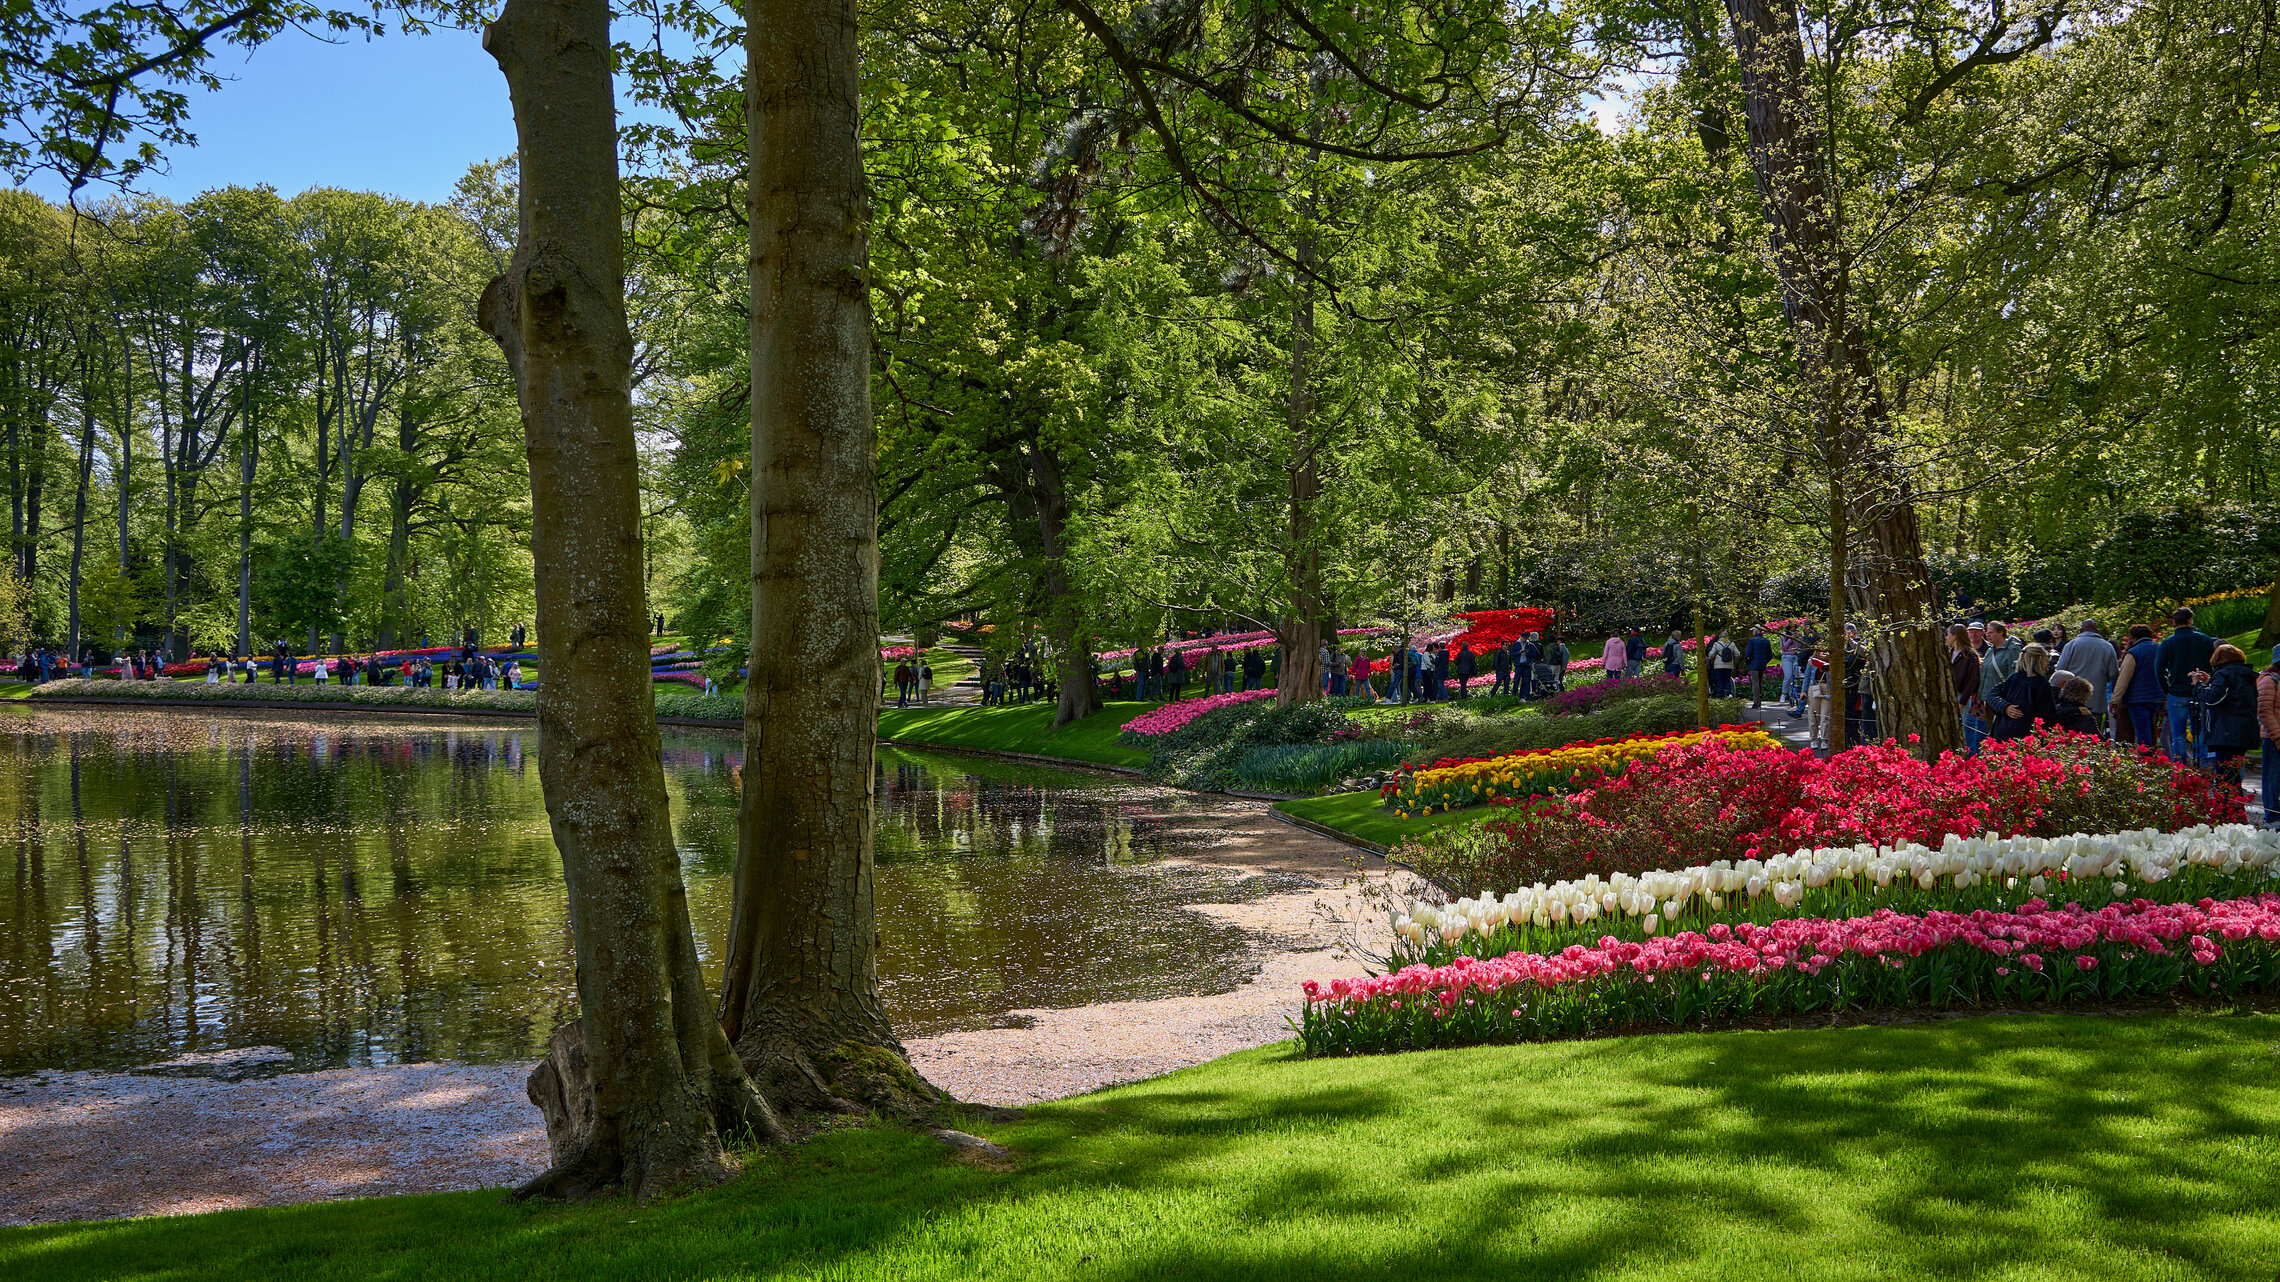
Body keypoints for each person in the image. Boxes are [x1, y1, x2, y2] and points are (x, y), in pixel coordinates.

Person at [2191, 643, 2259, 786]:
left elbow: (2212, 698)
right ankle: (2236, 806)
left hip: (2226, 731)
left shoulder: (2224, 674)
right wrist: (2210, 681)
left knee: (2225, 777)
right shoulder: (2245, 674)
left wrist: (2198, 685)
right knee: (2234, 774)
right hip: (2244, 729)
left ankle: (2228, 806)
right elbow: (2231, 694)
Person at [2157, 607, 2218, 763]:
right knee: (2201, 731)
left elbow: (2159, 669)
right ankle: (2204, 765)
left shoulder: (2168, 643)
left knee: (2178, 734)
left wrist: (2167, 689)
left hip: (2177, 691)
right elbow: (2213, 665)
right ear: (2190, 620)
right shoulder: (2204, 640)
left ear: (2174, 622)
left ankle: (2181, 767)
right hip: (2200, 690)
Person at [2056, 619, 2121, 729]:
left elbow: (2060, 669)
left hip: (2072, 700)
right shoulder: (2107, 646)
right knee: (2095, 732)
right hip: (2097, 698)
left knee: (2071, 732)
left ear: (2081, 630)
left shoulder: (2071, 645)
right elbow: (2114, 674)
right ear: (2096, 630)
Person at [1987, 643, 2058, 740]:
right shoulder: (2040, 683)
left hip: (2003, 732)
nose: (2047, 666)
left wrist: (2004, 706)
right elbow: (2048, 715)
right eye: (2046, 662)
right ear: (2039, 660)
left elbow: (1992, 695)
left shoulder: (2013, 678)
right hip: (2026, 735)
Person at [2113, 624, 2163, 747]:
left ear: (2133, 637)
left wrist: (2115, 699)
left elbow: (2124, 678)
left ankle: (2145, 758)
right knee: (2151, 729)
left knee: (2142, 732)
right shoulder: (2159, 649)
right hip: (2157, 697)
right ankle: (2154, 756)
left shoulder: (2133, 652)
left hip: (2137, 698)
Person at [1946, 624, 1981, 736]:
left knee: (1960, 729)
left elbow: (1972, 681)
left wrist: (1962, 703)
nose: (1946, 638)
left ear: (1955, 636)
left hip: (1961, 696)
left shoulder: (1969, 655)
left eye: (1948, 635)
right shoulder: (1948, 653)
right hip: (1948, 695)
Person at [2259, 658, 2280, 827]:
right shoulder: (2269, 681)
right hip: (2273, 738)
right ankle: (2272, 817)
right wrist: (2277, 736)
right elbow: (2264, 711)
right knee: (2272, 778)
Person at [1804, 645, 1833, 750]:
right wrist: (1803, 690)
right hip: (1814, 687)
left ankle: (1825, 739)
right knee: (1813, 715)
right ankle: (1813, 739)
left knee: (1825, 716)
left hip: (1827, 688)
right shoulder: (1812, 660)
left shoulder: (1832, 659)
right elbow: (1807, 675)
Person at [1743, 626, 1775, 707]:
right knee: (1759, 682)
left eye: (1753, 631)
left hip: (1754, 663)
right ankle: (1759, 700)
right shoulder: (1766, 641)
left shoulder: (1752, 641)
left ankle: (1756, 701)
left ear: (1755, 631)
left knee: (1755, 683)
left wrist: (1747, 662)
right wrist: (1765, 661)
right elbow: (1770, 655)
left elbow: (1748, 653)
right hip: (1762, 664)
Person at [1708, 631, 1739, 699]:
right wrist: (1732, 657)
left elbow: (1711, 654)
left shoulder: (1717, 644)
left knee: (1720, 680)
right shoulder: (1732, 644)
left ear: (1720, 636)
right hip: (1729, 665)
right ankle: (1729, 693)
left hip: (1718, 666)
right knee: (1727, 679)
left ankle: (1721, 695)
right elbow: (1737, 654)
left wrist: (1711, 658)